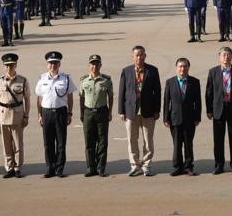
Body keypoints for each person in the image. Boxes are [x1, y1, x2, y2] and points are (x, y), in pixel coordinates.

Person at [117, 45, 162, 176]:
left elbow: (157, 91)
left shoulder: (153, 70)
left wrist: (157, 110)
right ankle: (134, 165)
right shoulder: (126, 71)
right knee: (132, 139)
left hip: (148, 111)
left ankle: (146, 165)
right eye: (137, 55)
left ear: (145, 56)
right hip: (131, 111)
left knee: (148, 140)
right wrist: (121, 111)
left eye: (141, 54)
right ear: (133, 57)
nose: (139, 57)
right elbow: (121, 92)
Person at [205, 46, 232, 174]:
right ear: (219, 57)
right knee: (218, 139)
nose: (226, 57)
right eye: (223, 55)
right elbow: (209, 92)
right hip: (218, 109)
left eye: (228, 55)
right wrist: (209, 110)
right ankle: (219, 164)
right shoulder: (213, 72)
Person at [36, 51, 77, 178]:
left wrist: (70, 113)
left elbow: (70, 96)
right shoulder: (42, 78)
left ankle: (60, 168)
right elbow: (39, 98)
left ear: (59, 64)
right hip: (46, 112)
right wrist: (40, 115)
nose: (53, 65)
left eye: (55, 63)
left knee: (60, 141)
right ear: (47, 65)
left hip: (60, 112)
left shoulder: (66, 78)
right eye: (50, 63)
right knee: (48, 142)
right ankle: (50, 168)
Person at [0, 52, 30, 178]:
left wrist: (26, 116)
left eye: (12, 65)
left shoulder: (23, 80)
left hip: (17, 114)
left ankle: (18, 167)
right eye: (7, 66)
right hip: (3, 115)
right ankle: (9, 167)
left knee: (18, 144)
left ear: (16, 65)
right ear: (4, 67)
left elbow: (27, 100)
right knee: (6, 144)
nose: (9, 68)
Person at [163, 57, 202, 176]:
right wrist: (166, 118)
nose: (182, 69)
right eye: (180, 66)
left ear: (188, 68)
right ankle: (177, 167)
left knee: (188, 144)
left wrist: (197, 117)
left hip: (190, 119)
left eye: (185, 66)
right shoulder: (170, 82)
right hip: (175, 119)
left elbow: (198, 101)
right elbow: (166, 102)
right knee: (177, 144)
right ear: (176, 68)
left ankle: (189, 166)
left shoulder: (195, 82)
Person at [79, 54, 114, 177]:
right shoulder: (83, 80)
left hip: (102, 111)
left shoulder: (106, 80)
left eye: (97, 64)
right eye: (92, 64)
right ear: (89, 66)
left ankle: (101, 168)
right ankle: (90, 167)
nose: (94, 66)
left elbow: (110, 96)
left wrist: (110, 112)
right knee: (89, 141)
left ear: (100, 65)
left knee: (102, 141)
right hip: (88, 112)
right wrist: (82, 113)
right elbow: (81, 97)